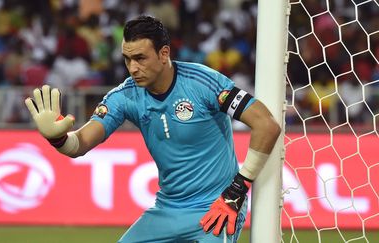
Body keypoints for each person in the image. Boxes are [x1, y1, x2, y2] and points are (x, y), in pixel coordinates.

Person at [25, 15, 281, 243]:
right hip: (167, 209)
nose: (133, 68)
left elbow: (266, 125)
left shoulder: (203, 82)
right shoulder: (125, 96)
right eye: (127, 59)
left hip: (215, 207)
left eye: (140, 58)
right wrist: (58, 138)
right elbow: (80, 144)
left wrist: (236, 191)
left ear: (163, 53)